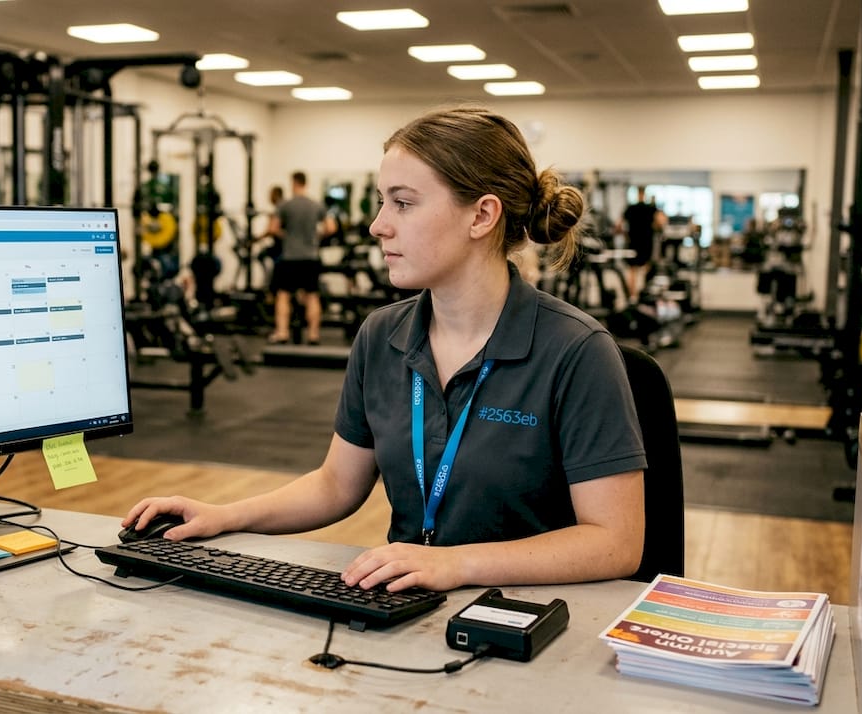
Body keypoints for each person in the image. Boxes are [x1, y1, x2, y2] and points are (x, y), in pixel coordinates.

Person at [124, 105, 646, 593]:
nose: (379, 225)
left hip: (529, 619)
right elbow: (336, 485)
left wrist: (457, 563)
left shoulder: (577, 351)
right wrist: (223, 515)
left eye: (403, 203)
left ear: (482, 215)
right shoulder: (381, 335)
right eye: (381, 201)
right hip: (406, 603)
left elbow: (615, 542)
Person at [266, 171, 337, 345]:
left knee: (283, 296)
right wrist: (316, 237)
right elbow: (331, 227)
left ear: (293, 183)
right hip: (310, 257)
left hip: (290, 258)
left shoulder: (285, 205)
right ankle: (313, 335)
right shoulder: (316, 205)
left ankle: (282, 333)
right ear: (306, 183)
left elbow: (272, 228)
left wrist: (287, 236)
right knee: (312, 296)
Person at [615, 186, 666, 301]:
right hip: (646, 242)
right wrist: (655, 227)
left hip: (633, 242)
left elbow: (618, 226)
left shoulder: (631, 208)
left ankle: (632, 296)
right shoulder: (651, 208)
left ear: (638, 194)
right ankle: (641, 294)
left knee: (633, 270)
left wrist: (624, 234)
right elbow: (661, 223)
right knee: (644, 269)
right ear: (644, 194)